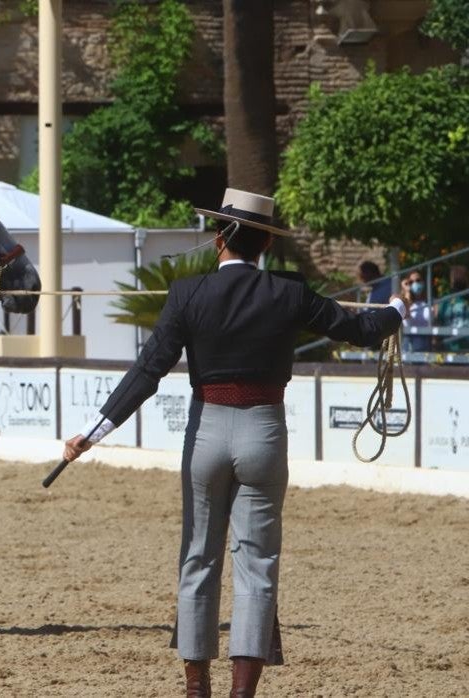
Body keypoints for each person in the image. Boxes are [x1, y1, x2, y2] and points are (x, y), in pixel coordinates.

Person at [59, 189, 407, 698]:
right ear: (264, 242)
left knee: (199, 558)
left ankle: (197, 689)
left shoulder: (186, 293)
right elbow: (358, 329)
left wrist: (93, 433)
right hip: (264, 431)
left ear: (220, 237)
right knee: (258, 564)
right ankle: (241, 694)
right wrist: (396, 308)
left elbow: (148, 370)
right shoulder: (289, 292)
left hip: (207, 433)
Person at [436, 265, 469, 353]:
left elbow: (438, 322)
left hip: (452, 349)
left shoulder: (445, 301)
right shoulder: (445, 301)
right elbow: (439, 322)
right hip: (451, 349)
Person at [400, 270, 433, 352]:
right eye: (411, 282)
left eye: (418, 280)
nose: (415, 284)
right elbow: (406, 320)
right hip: (409, 343)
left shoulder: (430, 302)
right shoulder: (406, 302)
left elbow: (432, 321)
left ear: (423, 282)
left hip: (426, 342)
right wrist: (407, 291)